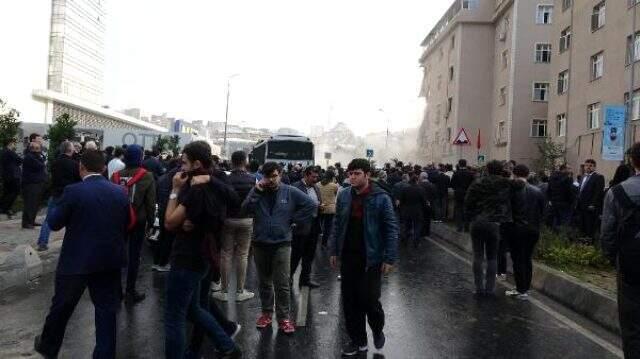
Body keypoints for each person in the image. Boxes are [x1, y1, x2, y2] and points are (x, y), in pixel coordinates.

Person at [34, 150, 129, 359]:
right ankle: (104, 354)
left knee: (62, 306)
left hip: (77, 260)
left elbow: (55, 222)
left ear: (81, 168)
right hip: (109, 260)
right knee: (106, 312)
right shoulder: (120, 192)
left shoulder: (73, 191)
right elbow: (125, 225)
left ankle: (49, 347)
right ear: (103, 168)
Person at [164, 141, 242, 358]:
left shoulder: (196, 188)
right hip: (204, 256)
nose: (181, 167)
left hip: (187, 257)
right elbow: (231, 203)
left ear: (197, 163)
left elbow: (169, 222)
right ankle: (227, 345)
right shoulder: (216, 183)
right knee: (195, 307)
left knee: (174, 317)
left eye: (184, 162)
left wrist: (174, 190)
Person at [329, 159, 398, 357]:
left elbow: (391, 228)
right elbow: (337, 224)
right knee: (350, 302)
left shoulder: (381, 197)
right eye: (350, 173)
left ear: (367, 175)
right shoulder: (343, 195)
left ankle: (377, 328)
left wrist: (389, 258)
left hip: (372, 259)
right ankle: (358, 341)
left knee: (369, 301)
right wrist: (334, 250)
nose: (352, 177)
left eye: (357, 173)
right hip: (349, 257)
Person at [242, 162, 316, 334]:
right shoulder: (258, 190)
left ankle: (284, 318)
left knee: (282, 283)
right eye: (268, 176)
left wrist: (294, 220)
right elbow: (245, 209)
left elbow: (311, 205)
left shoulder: (289, 191)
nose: (271, 180)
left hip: (282, 243)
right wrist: (257, 191)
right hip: (260, 243)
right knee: (264, 282)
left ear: (280, 175)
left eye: (274, 176)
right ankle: (266, 313)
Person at [601, 142, 640, 359]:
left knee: (631, 325)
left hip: (629, 263)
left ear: (633, 162)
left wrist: (612, 257)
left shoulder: (616, 192)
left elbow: (607, 233)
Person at [465, 160, 523, 296]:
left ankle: (479, 288)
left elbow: (467, 202)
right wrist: (507, 174)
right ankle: (490, 289)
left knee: (478, 256)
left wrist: (470, 218)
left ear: (487, 169)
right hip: (495, 223)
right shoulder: (506, 182)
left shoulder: (478, 182)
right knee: (492, 257)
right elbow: (521, 184)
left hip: (478, 222)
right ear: (501, 170)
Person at [113, 144, 156, 304]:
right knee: (134, 256)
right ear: (140, 157)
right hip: (138, 221)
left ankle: (116, 290)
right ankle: (130, 291)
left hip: (119, 221)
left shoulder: (116, 176)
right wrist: (151, 223)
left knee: (118, 254)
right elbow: (151, 203)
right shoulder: (147, 176)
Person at [213, 150, 257, 302]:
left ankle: (224, 291)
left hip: (228, 219)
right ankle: (240, 291)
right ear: (245, 162)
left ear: (232, 161)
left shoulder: (226, 178)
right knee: (243, 255)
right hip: (246, 220)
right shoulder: (253, 179)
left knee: (226, 254)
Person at [505, 165, 544, 300]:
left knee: (518, 260)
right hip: (533, 230)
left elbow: (508, 210)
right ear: (527, 175)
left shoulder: (512, 189)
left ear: (514, 174)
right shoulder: (537, 191)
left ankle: (521, 289)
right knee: (527, 259)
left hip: (517, 229)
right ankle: (525, 288)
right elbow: (543, 211)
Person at [37, 141, 81, 251]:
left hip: (56, 193)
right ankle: (71, 243)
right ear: (70, 150)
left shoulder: (55, 162)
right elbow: (78, 179)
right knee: (71, 221)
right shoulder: (74, 164)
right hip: (69, 195)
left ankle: (42, 242)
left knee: (48, 219)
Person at [290, 166, 322, 288]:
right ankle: (289, 278)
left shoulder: (316, 188)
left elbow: (317, 202)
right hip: (300, 226)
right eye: (313, 176)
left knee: (309, 254)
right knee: (296, 255)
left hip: (313, 225)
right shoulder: (295, 187)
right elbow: (291, 206)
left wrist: (319, 207)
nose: (315, 179)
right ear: (306, 175)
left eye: (316, 176)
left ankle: (305, 279)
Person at [397, 173, 429, 248]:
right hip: (417, 211)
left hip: (407, 210)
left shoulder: (405, 189)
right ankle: (416, 241)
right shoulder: (421, 189)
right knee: (417, 226)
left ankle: (405, 239)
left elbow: (401, 200)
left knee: (407, 226)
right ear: (417, 181)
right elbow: (424, 201)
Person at [576, 159, 605, 240]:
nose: (588, 167)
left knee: (589, 226)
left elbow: (598, 192)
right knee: (581, 226)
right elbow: (580, 190)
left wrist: (593, 203)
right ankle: (582, 241)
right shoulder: (582, 177)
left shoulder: (598, 177)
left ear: (594, 167)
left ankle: (589, 242)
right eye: (586, 165)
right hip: (581, 205)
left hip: (590, 206)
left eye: (590, 166)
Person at [21, 141, 47, 229]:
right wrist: (42, 158)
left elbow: (42, 162)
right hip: (31, 184)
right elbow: (41, 165)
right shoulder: (30, 157)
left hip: (37, 183)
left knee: (35, 203)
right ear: (33, 149)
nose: (39, 150)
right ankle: (27, 222)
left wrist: (41, 156)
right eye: (38, 148)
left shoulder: (35, 156)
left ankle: (32, 220)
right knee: (30, 203)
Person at [547, 164, 575, 231]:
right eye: (569, 168)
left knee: (556, 221)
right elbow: (569, 191)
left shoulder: (552, 177)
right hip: (565, 204)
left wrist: (550, 200)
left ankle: (554, 236)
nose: (570, 170)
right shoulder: (568, 178)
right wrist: (572, 202)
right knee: (564, 223)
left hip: (554, 203)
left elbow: (548, 190)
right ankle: (562, 237)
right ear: (564, 169)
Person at [450, 159, 475, 232]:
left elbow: (452, 184)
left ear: (459, 164)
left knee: (459, 210)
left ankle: (459, 227)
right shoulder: (470, 173)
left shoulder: (456, 173)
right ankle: (467, 227)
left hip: (458, 194)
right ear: (466, 164)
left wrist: (457, 189)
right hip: (467, 193)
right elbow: (473, 184)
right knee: (467, 210)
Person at [0, 138, 22, 218]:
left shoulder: (3, 151)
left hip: (6, 175)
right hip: (12, 176)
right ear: (10, 143)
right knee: (14, 192)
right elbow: (19, 160)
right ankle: (5, 208)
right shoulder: (10, 152)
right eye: (13, 143)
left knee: (6, 192)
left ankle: (3, 208)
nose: (14, 145)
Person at [318, 169, 339, 248]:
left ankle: (317, 237)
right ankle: (324, 243)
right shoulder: (334, 186)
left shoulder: (318, 184)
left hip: (320, 207)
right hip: (330, 209)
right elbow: (336, 194)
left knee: (319, 224)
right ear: (332, 177)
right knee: (327, 227)